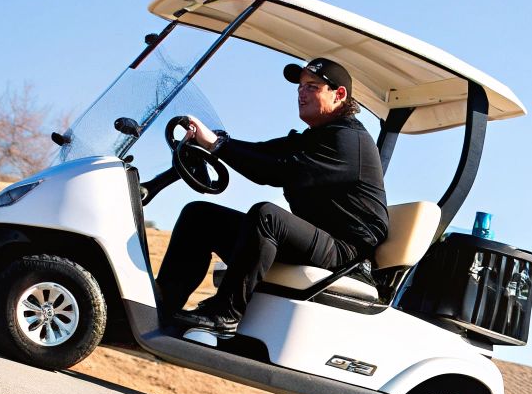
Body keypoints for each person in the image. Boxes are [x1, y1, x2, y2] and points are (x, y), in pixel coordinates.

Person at [156, 57, 389, 337]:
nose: (301, 93)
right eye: (300, 87)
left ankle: (225, 315)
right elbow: (262, 152)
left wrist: (217, 146)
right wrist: (214, 142)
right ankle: (161, 311)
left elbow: (277, 171)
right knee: (199, 216)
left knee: (268, 216)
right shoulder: (315, 137)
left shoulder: (349, 141)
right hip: (313, 243)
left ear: (339, 95)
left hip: (345, 254)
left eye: (312, 86)